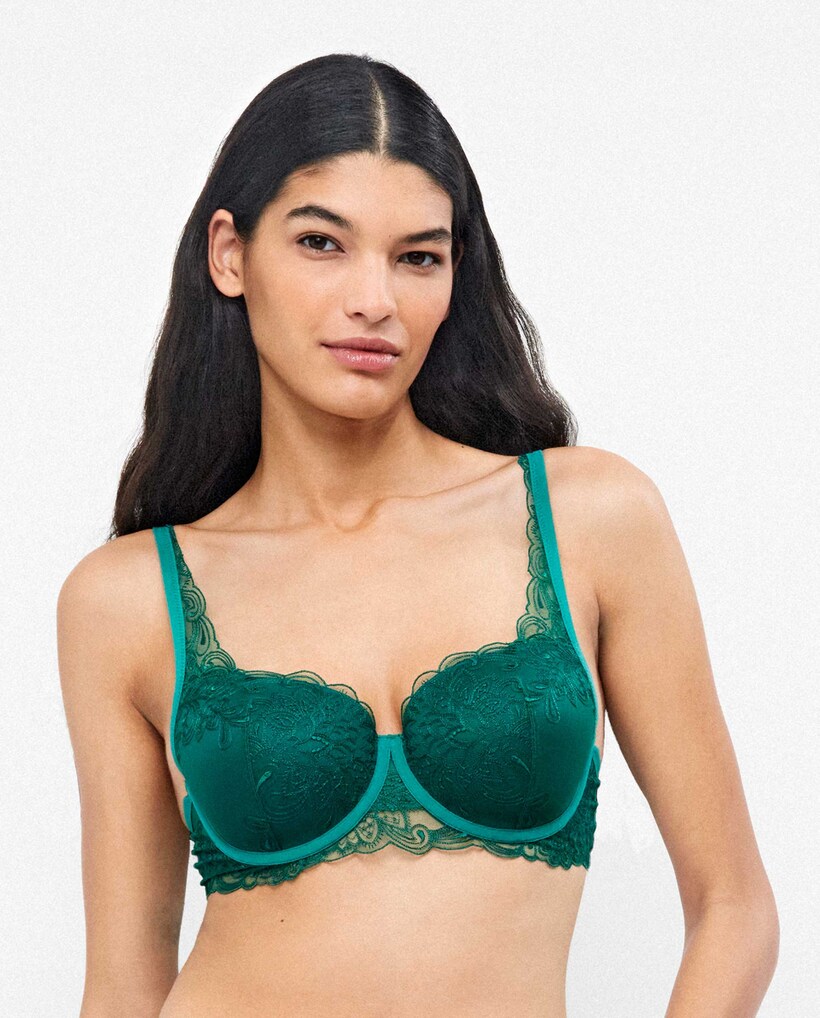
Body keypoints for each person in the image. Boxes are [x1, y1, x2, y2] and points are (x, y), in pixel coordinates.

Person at [56, 52, 778, 1018]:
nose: (375, 300)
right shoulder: (127, 598)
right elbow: (123, 987)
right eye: (322, 243)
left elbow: (734, 909)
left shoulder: (589, 519)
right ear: (230, 255)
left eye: (418, 257)